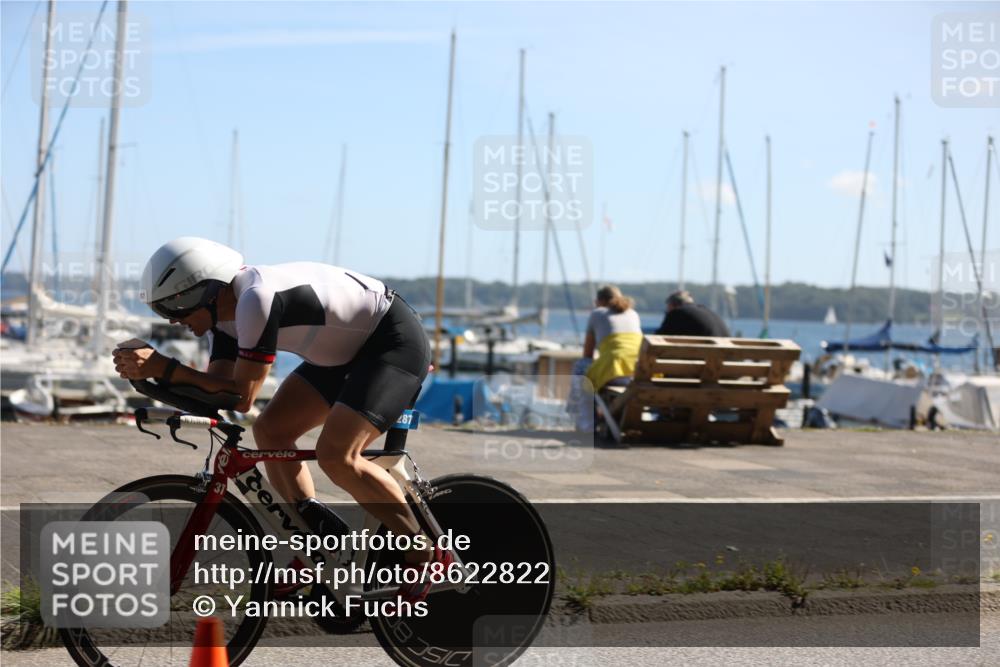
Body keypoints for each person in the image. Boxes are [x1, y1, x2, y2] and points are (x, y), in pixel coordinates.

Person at [112, 237, 445, 602]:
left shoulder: (255, 300)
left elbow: (242, 395)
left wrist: (166, 368)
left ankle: (425, 553)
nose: (174, 320)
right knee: (270, 430)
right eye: (164, 311)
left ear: (208, 291)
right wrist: (149, 381)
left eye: (176, 307)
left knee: (338, 455)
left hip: (390, 342)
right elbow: (218, 394)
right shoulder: (223, 319)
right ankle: (317, 544)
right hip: (342, 356)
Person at [568, 285, 643, 431]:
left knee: (581, 367)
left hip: (615, 370)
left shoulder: (597, 313)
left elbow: (587, 354)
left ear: (599, 301)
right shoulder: (633, 313)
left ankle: (586, 423)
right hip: (639, 371)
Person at [655, 290, 730, 337]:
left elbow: (658, 338)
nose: (667, 311)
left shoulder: (676, 313)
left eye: (667, 309)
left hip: (703, 360)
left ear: (672, 305)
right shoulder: (710, 312)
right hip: (725, 360)